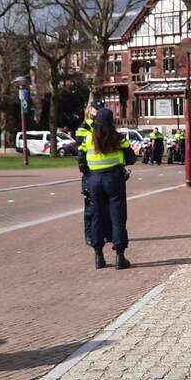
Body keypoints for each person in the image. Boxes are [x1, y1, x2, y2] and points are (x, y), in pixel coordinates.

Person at [79, 108, 136, 269]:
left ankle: (99, 256)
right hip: (114, 179)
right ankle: (120, 256)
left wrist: (88, 175)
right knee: (117, 216)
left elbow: (81, 161)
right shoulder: (118, 138)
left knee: (97, 216)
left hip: (94, 180)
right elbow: (131, 157)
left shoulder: (89, 138)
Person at [75, 100, 104, 247]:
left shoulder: (102, 125)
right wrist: (84, 169)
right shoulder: (84, 127)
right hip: (89, 171)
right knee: (90, 206)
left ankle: (102, 233)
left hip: (101, 170)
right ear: (90, 110)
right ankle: (89, 234)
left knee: (102, 205)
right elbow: (80, 150)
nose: (98, 112)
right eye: (96, 109)